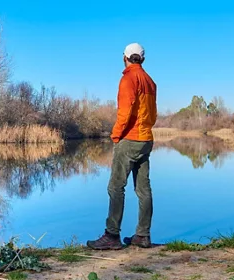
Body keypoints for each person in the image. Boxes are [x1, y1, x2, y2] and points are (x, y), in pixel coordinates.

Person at [87, 43, 157, 250]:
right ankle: (143, 235)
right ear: (143, 59)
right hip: (145, 139)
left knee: (116, 187)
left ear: (124, 57)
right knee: (143, 189)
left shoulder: (128, 79)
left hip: (130, 139)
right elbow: (153, 115)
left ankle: (112, 235)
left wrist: (116, 134)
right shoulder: (150, 82)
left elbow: (124, 113)